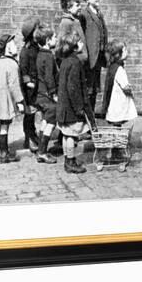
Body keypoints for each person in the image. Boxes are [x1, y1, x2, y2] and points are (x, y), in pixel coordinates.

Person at [56, 31, 97, 174]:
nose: (82, 44)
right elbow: (73, 88)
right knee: (71, 135)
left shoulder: (65, 61)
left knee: (66, 134)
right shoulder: (75, 63)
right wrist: (79, 107)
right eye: (79, 42)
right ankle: (70, 162)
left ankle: (68, 159)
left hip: (64, 106)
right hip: (71, 107)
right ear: (74, 46)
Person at [102, 39, 137, 162]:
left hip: (113, 104)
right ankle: (116, 151)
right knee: (118, 127)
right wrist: (131, 92)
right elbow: (125, 86)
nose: (127, 52)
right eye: (125, 50)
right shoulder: (119, 70)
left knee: (117, 127)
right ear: (119, 54)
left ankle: (114, 150)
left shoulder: (113, 67)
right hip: (118, 104)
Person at [0, 34, 25, 164]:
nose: (16, 46)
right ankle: (4, 154)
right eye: (12, 44)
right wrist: (19, 101)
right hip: (6, 99)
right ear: (7, 48)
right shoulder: (11, 64)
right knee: (5, 126)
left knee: (3, 124)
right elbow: (14, 85)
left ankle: (0, 148)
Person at [78, 0, 108, 113]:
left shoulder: (99, 13)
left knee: (95, 89)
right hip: (89, 59)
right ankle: (87, 120)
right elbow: (80, 35)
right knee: (88, 89)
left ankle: (92, 118)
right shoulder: (84, 14)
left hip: (98, 58)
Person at [34, 26, 58, 164]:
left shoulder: (40, 54)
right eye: (54, 37)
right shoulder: (48, 56)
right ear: (48, 40)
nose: (56, 39)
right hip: (48, 95)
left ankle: (40, 150)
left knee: (45, 121)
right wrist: (54, 93)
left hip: (40, 95)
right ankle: (43, 152)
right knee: (51, 121)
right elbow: (49, 77)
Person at [19, 16, 41, 152]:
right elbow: (23, 69)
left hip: (36, 84)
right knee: (29, 113)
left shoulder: (36, 47)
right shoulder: (25, 51)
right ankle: (29, 136)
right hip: (29, 88)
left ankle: (32, 135)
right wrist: (28, 82)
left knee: (33, 112)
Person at [57, 0, 88, 65]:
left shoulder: (75, 21)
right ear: (69, 7)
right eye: (77, 5)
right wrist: (76, 50)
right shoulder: (66, 23)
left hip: (80, 63)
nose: (80, 7)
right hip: (74, 64)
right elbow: (61, 47)